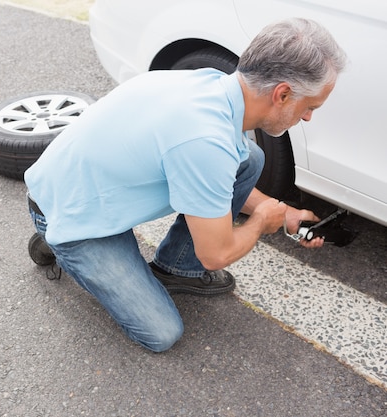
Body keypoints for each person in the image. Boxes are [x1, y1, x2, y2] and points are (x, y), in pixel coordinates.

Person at [24, 18, 347, 352]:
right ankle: (58, 241)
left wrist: (285, 213)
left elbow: (210, 181)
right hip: (71, 214)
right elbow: (216, 254)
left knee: (248, 158)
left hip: (84, 187)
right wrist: (261, 222)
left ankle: (176, 270)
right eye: (310, 106)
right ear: (282, 94)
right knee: (162, 332)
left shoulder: (210, 85)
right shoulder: (205, 141)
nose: (307, 117)